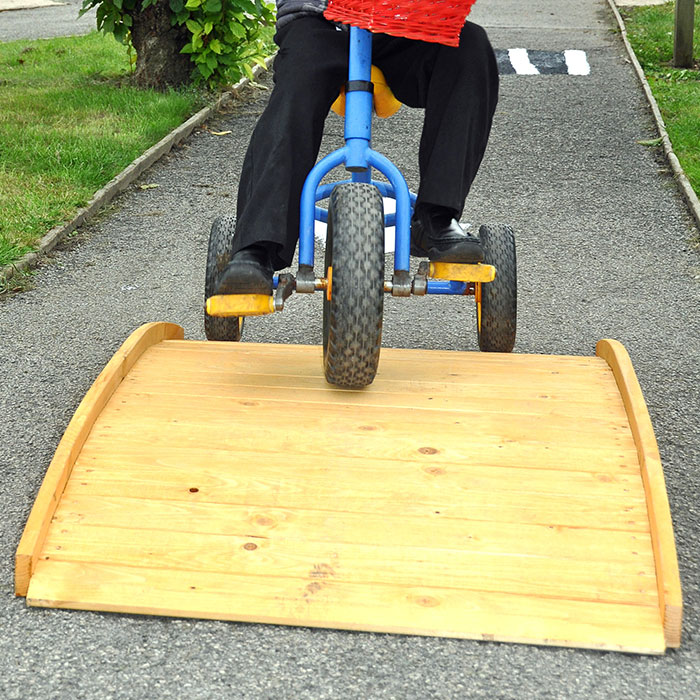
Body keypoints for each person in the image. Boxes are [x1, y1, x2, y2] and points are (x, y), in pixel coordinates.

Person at [214, 0, 499, 296]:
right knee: (295, 90)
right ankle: (256, 246)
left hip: (402, 23)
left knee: (469, 46)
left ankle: (437, 218)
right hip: (320, 22)